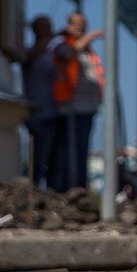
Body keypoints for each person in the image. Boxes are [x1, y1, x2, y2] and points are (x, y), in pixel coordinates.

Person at [49, 13, 104, 192]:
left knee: (81, 152)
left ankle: (79, 189)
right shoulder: (61, 42)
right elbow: (67, 55)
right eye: (77, 25)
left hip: (87, 107)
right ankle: (67, 189)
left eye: (83, 25)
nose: (80, 28)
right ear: (68, 25)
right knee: (68, 154)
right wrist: (90, 37)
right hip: (70, 108)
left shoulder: (88, 51)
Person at [0, 15, 57, 186]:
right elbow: (28, 58)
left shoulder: (51, 54)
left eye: (47, 27)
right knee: (36, 155)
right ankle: (34, 186)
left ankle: (46, 188)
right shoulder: (29, 52)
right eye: (41, 27)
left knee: (50, 156)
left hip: (52, 112)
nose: (46, 31)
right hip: (35, 111)